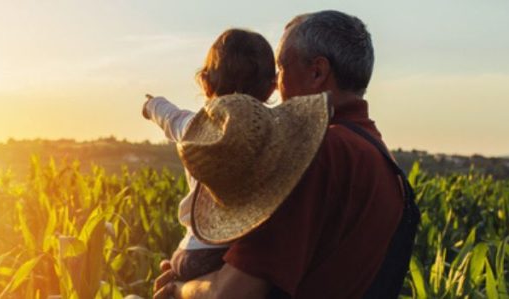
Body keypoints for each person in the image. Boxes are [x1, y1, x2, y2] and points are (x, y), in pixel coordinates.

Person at [154, 10, 419, 298]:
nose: (276, 87)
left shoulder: (312, 156)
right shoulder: (383, 161)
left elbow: (231, 292)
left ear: (317, 72)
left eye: (280, 69)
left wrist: (178, 289)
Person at [141, 28, 278, 281]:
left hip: (194, 250)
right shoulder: (276, 138)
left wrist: (151, 105)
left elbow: (170, 116)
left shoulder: (193, 127)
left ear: (205, 83)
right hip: (239, 252)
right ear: (272, 87)